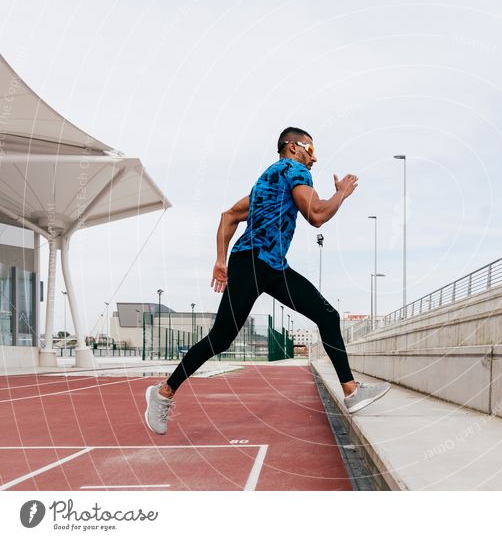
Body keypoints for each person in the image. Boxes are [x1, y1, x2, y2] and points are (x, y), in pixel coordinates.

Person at [145, 127, 390, 435]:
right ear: (292, 147)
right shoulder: (292, 169)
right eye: (310, 150)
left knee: (327, 315)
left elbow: (228, 216)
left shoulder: (267, 183)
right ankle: (163, 392)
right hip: (252, 262)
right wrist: (342, 193)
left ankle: (351, 390)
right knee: (221, 338)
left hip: (272, 266)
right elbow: (316, 214)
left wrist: (221, 260)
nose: (314, 159)